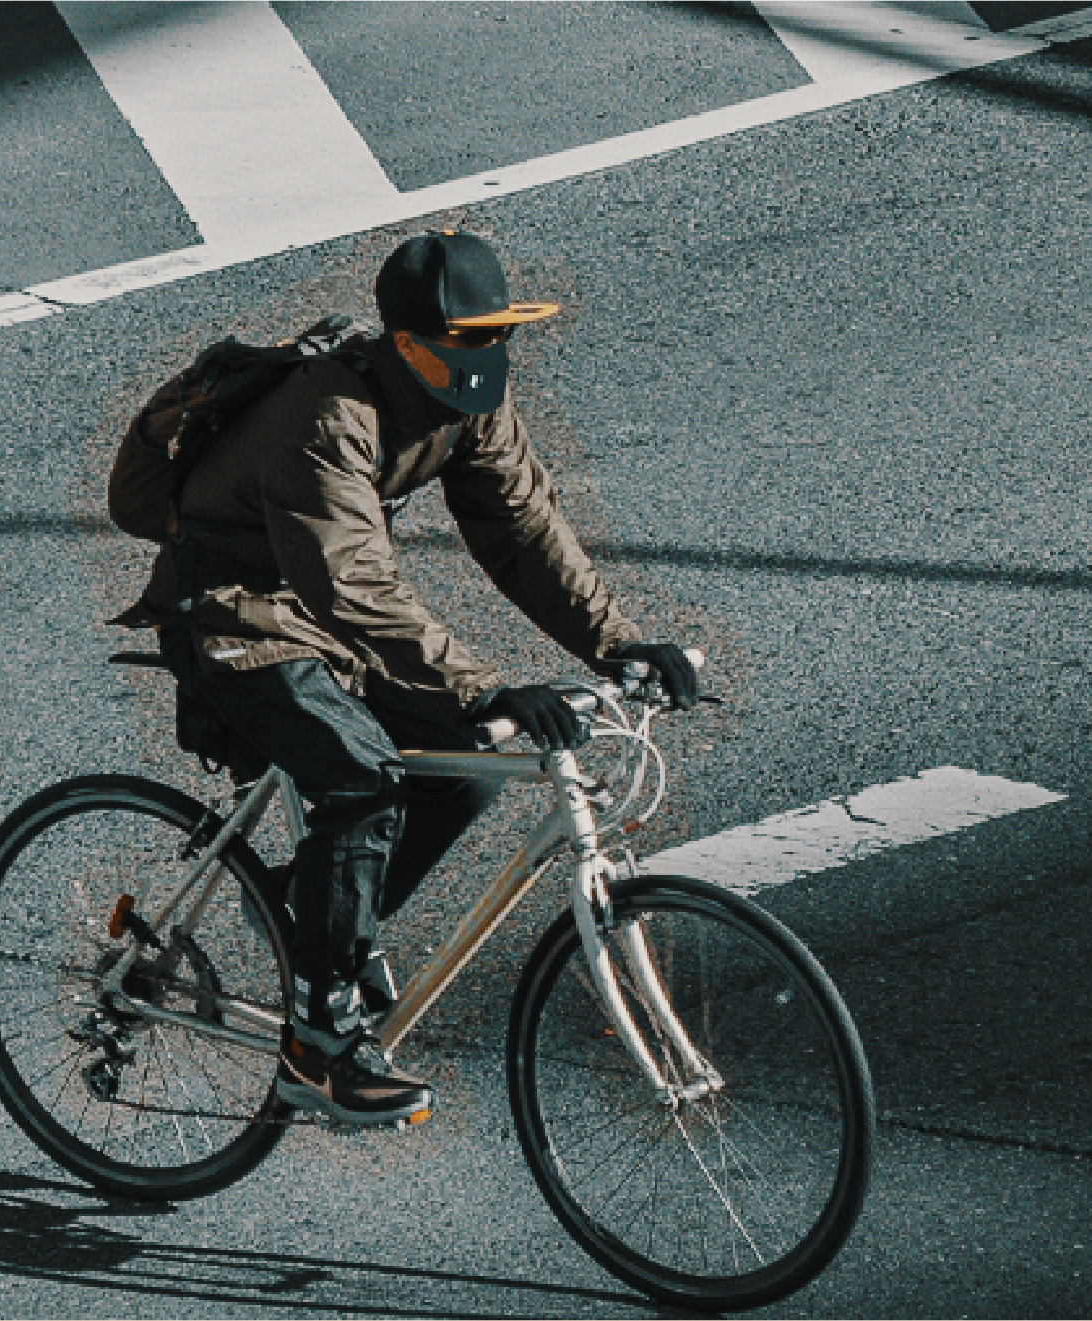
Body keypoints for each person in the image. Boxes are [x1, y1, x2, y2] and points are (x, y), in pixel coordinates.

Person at [116, 231, 699, 1126]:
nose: (482, 354)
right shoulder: (329, 414)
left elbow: (521, 527)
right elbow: (349, 576)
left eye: (495, 334)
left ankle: (313, 928)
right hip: (233, 613)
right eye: (463, 338)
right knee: (362, 777)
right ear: (405, 340)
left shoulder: (472, 405)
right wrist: (482, 685)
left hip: (320, 614)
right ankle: (317, 1046)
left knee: (464, 766)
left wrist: (615, 643)